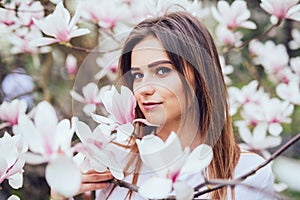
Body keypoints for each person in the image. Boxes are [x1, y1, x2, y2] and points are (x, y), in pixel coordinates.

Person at [54, 11, 274, 200]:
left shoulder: (248, 172)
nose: (143, 89)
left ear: (200, 75)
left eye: (162, 71)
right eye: (138, 75)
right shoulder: (114, 161)